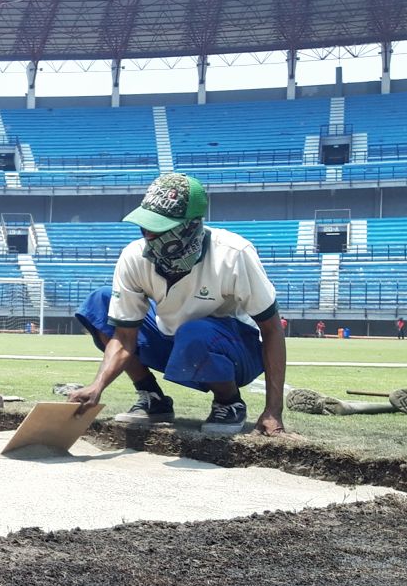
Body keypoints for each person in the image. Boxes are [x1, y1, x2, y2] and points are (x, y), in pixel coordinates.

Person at [68, 173, 289, 436]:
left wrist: (273, 411)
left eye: (159, 226)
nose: (148, 234)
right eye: (145, 225)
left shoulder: (234, 254)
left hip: (237, 350)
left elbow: (272, 330)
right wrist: (98, 385)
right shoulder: (133, 256)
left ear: (190, 225)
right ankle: (152, 398)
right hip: (173, 338)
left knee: (195, 332)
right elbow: (125, 336)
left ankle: (228, 402)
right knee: (100, 303)